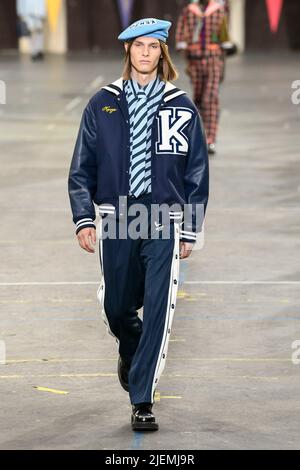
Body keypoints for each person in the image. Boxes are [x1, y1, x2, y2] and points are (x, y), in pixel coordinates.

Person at [68, 18, 209, 432]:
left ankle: (142, 399)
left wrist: (190, 229)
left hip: (164, 218)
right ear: (127, 51)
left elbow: (196, 171)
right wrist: (83, 217)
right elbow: (82, 167)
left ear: (162, 53)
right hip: (117, 216)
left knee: (160, 314)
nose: (145, 53)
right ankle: (131, 348)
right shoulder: (103, 103)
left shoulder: (180, 105)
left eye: (153, 47)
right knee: (116, 307)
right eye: (138, 46)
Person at [176, 0, 231, 155]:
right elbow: (180, 31)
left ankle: (211, 139)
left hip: (213, 59)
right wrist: (181, 43)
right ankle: (200, 136)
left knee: (210, 97)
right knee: (198, 98)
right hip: (195, 60)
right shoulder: (189, 11)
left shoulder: (218, 10)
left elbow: (224, 33)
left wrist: (225, 45)